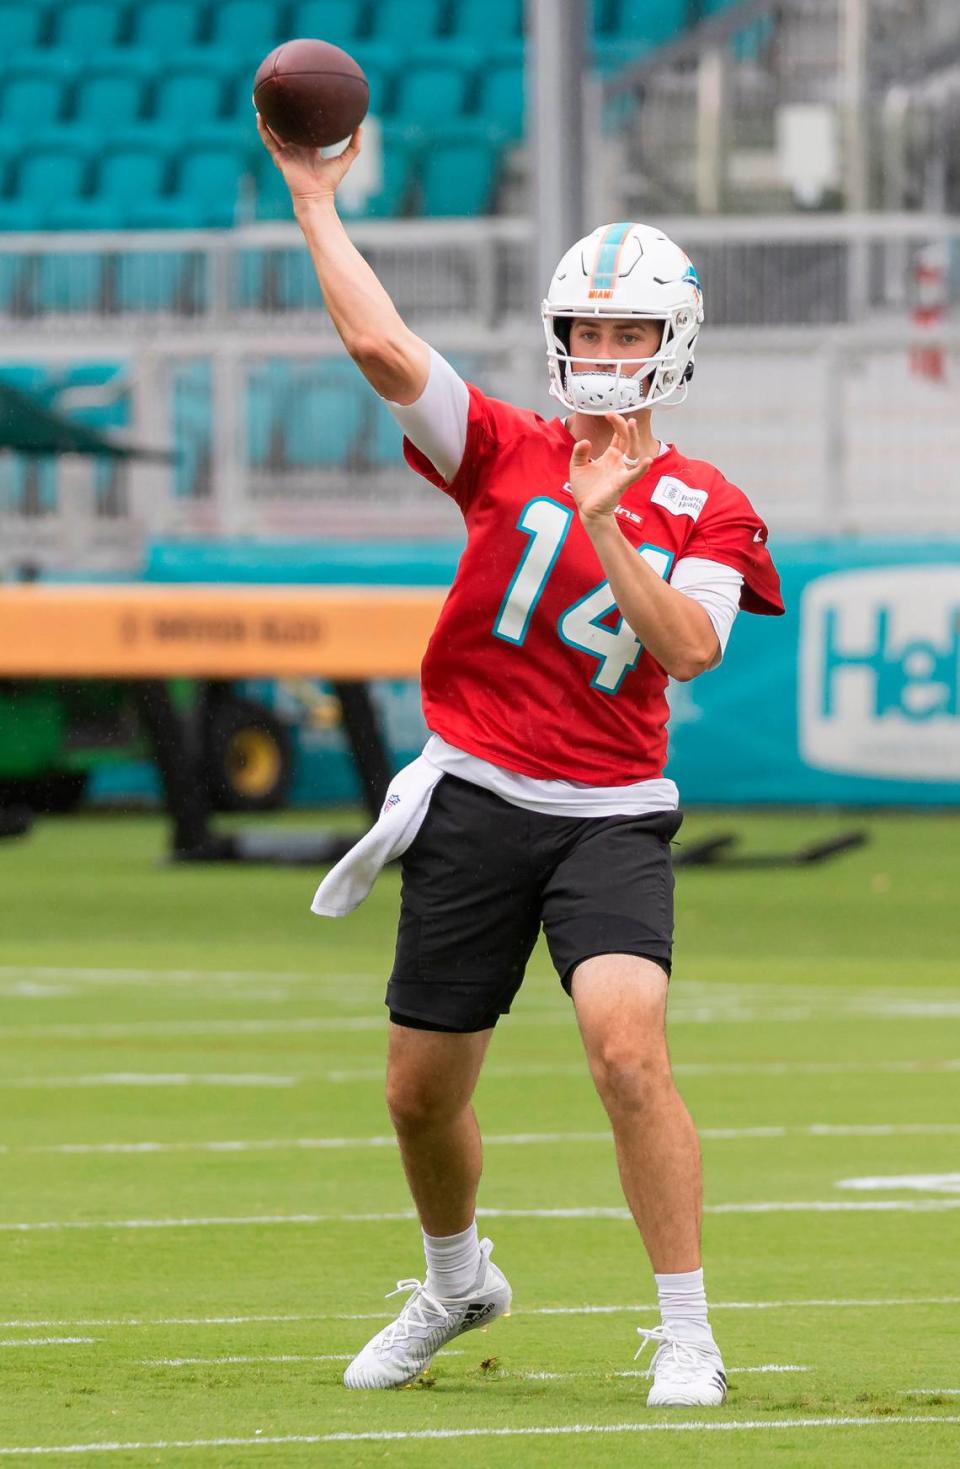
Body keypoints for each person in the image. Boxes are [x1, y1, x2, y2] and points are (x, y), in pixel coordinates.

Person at [258, 117, 784, 1407]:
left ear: (674, 347)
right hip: (475, 795)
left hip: (609, 814)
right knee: (419, 1097)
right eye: (588, 331)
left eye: (628, 333)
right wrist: (315, 198)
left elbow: (689, 651)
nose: (603, 354)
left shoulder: (707, 502)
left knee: (626, 1050)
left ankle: (688, 1330)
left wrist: (610, 530)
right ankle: (455, 1283)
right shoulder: (502, 446)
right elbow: (383, 349)